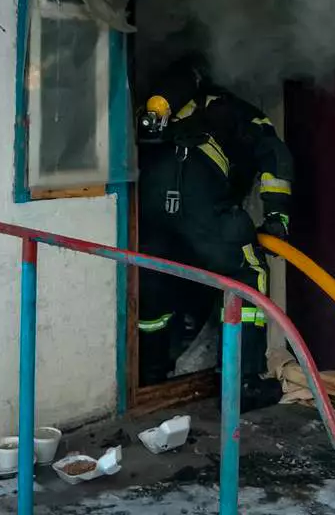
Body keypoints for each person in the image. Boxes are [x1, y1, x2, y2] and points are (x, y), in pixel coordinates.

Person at [136, 54, 292, 409]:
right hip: (200, 206)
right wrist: (277, 217)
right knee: (248, 272)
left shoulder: (163, 111)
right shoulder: (240, 113)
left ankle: (149, 377)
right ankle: (243, 383)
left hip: (149, 207)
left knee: (154, 282)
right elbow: (276, 158)